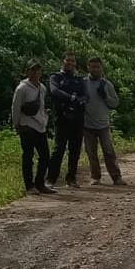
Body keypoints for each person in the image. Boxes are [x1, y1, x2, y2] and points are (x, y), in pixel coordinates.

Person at [11, 60, 55, 194]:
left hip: (40, 126)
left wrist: (45, 121)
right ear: (27, 72)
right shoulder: (22, 88)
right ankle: (29, 186)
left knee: (45, 157)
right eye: (32, 70)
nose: (35, 73)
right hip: (26, 126)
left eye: (38, 70)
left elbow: (42, 107)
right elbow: (15, 107)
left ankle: (40, 183)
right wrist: (16, 124)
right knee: (28, 157)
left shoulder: (42, 88)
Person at [47, 51, 87, 189]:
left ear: (75, 64)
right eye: (67, 60)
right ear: (62, 61)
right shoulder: (55, 77)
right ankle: (51, 179)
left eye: (73, 61)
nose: (70, 63)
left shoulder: (79, 79)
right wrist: (71, 98)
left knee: (75, 150)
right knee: (59, 149)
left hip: (77, 118)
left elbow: (85, 96)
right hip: (62, 118)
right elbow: (54, 91)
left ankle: (71, 179)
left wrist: (79, 101)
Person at [83, 56, 123, 186]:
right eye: (92, 66)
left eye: (97, 67)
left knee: (109, 151)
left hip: (103, 124)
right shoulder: (83, 83)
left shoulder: (106, 84)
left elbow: (115, 103)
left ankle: (116, 177)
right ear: (88, 67)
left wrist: (105, 96)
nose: (95, 69)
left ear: (101, 68)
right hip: (88, 124)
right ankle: (95, 177)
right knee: (91, 152)